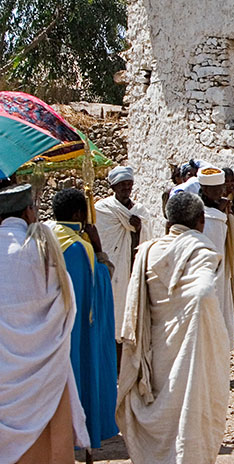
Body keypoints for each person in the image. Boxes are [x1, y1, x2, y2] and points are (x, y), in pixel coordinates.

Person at [117, 192, 230, 464]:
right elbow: (202, 293)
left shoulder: (149, 251)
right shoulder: (201, 250)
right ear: (201, 221)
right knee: (188, 410)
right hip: (190, 346)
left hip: (157, 351)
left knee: (165, 414)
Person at [0, 184, 89, 463]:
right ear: (28, 211)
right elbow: (66, 307)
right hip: (45, 374)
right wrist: (46, 342)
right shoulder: (41, 248)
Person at [50, 188, 118, 450]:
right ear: (79, 214)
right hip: (77, 327)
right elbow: (98, 285)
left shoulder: (44, 239)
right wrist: (99, 251)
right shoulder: (80, 248)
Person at [95, 166, 151, 345]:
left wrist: (139, 228)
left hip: (132, 270)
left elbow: (147, 240)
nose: (126, 188)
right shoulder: (102, 210)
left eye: (129, 184)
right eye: (122, 185)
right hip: (112, 271)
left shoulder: (140, 211)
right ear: (113, 188)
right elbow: (101, 241)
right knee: (112, 312)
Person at [198, 166, 234, 343]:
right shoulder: (200, 214)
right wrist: (220, 214)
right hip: (205, 270)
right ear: (204, 190)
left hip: (222, 272)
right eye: (214, 190)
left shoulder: (222, 211)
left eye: (221, 189)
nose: (219, 193)